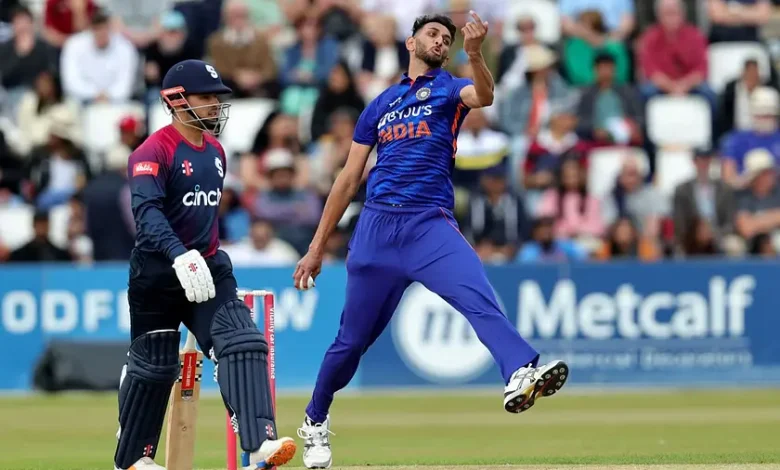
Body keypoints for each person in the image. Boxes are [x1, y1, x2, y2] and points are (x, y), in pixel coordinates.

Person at [292, 12, 569, 469]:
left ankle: (519, 371)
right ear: (410, 42)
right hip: (377, 229)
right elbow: (347, 180)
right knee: (351, 342)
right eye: (433, 34)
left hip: (429, 225)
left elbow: (484, 94)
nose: (441, 41)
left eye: (447, 38)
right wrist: (317, 247)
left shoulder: (448, 89)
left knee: (477, 295)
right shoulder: (379, 104)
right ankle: (315, 419)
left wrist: (476, 54)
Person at [115, 59, 296, 470]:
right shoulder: (152, 151)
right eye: (207, 97)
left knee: (244, 342)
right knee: (155, 367)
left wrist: (199, 258)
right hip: (158, 273)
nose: (216, 105)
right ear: (176, 100)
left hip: (208, 267)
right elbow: (147, 214)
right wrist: (179, 255)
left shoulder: (215, 151)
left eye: (218, 97)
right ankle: (132, 460)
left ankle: (260, 443)